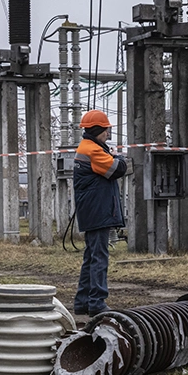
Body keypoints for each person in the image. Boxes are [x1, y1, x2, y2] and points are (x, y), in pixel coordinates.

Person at [72, 109, 127, 315]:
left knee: (92, 256)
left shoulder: (89, 147)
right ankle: (97, 302)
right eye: (105, 130)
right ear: (98, 130)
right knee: (99, 257)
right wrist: (120, 158)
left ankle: (83, 302)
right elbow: (117, 169)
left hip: (93, 210)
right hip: (98, 211)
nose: (107, 134)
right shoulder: (93, 150)